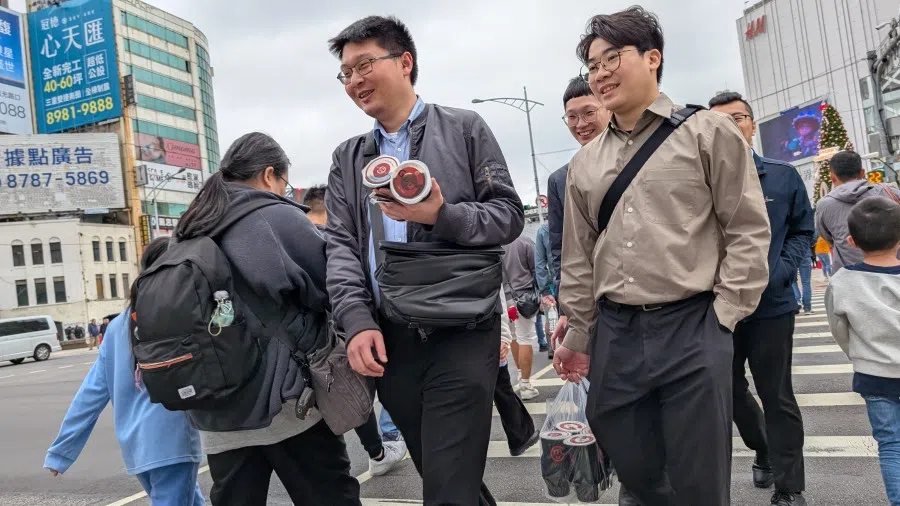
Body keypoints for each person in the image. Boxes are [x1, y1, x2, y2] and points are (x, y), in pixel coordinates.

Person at [554, 8, 771, 506]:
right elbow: (578, 258)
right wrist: (582, 333)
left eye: (613, 57)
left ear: (653, 58)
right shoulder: (584, 163)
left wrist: (724, 315)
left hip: (693, 323)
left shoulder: (707, 132)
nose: (601, 72)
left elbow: (747, 227)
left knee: (699, 476)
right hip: (617, 332)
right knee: (634, 464)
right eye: (593, 64)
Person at [325, 16, 524, 505]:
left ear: (405, 62)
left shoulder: (464, 128)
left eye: (365, 64)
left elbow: (508, 215)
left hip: (462, 327)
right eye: (346, 73)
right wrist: (355, 320)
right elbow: (341, 249)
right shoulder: (349, 158)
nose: (355, 81)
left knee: (447, 489)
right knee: (448, 477)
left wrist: (442, 214)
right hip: (389, 338)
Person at [171, 132, 360, 505]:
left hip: (215, 412)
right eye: (284, 183)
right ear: (269, 175)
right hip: (285, 407)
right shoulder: (274, 217)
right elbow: (332, 285)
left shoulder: (188, 226)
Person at [44, 238, 205, 505]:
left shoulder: (118, 325)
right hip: (172, 440)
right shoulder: (175, 315)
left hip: (136, 447)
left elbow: (90, 395)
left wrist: (61, 452)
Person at [711, 91, 813, 505]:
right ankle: (763, 448)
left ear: (752, 124)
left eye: (738, 118)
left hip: (772, 307)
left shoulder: (783, 176)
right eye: (720, 121)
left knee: (778, 395)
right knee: (729, 391)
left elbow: (803, 230)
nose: (731, 126)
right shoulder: (701, 182)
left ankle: (790, 488)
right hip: (719, 308)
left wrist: (782, 270)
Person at [303, 184, 408, 477]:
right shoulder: (334, 239)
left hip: (318, 342)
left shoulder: (295, 237)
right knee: (382, 384)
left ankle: (376, 450)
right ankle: (383, 446)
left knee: (349, 396)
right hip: (355, 328)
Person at [825, 197, 900, 506]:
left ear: (852, 241)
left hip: (874, 376)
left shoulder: (842, 282)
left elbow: (839, 330)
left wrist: (858, 355)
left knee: (891, 444)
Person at [547, 76, 611, 360]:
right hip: (593, 308)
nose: (580, 124)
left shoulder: (644, 159)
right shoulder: (560, 179)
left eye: (588, 112)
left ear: (607, 108)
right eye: (571, 117)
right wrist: (566, 312)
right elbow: (561, 250)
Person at [815, 150, 900, 272]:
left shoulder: (824, 205)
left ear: (832, 177)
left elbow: (828, 237)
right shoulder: (889, 192)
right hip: (894, 275)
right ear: (862, 173)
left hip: (850, 279)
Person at [496, 286, 540, 456]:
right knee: (502, 388)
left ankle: (521, 434)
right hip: (520, 295)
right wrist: (502, 337)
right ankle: (520, 435)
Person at [502, 235, 540, 401]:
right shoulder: (524, 242)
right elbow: (536, 268)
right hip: (524, 297)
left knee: (515, 338)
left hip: (504, 299)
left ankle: (519, 376)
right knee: (526, 338)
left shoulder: (494, 244)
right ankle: (525, 385)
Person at [534, 222, 552, 353]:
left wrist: (544, 290)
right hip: (579, 281)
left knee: (550, 318)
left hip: (553, 286)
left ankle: (552, 349)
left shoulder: (544, 230)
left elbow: (540, 264)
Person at [792, 248, 814, 314]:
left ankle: (797, 301)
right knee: (806, 282)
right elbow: (814, 238)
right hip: (805, 251)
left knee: (792, 281)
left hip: (791, 253)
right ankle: (807, 308)